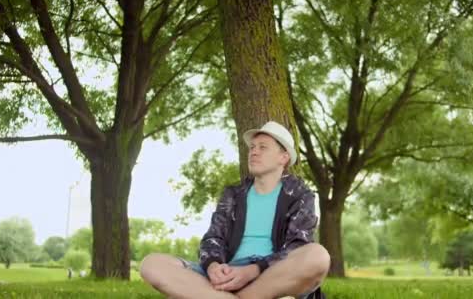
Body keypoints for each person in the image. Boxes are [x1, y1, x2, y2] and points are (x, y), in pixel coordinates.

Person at [140, 121, 330, 298]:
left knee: (318, 256)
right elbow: (213, 238)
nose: (254, 152)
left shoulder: (299, 194)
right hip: (228, 272)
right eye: (252, 148)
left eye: (263, 147)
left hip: (270, 275)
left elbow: (297, 246)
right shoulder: (233, 194)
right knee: (152, 264)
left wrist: (253, 270)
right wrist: (213, 266)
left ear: (284, 157)